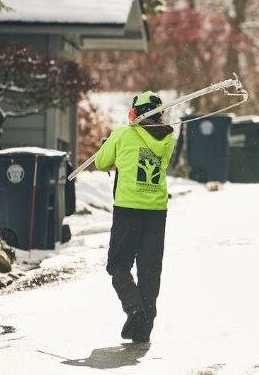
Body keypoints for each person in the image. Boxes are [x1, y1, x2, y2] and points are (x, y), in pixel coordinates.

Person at [94, 91, 174, 342]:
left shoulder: (121, 134)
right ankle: (144, 327)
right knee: (150, 271)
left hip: (128, 210)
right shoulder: (168, 139)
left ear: (135, 113)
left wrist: (108, 145)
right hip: (156, 213)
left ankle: (134, 308)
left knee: (118, 264)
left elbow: (101, 163)